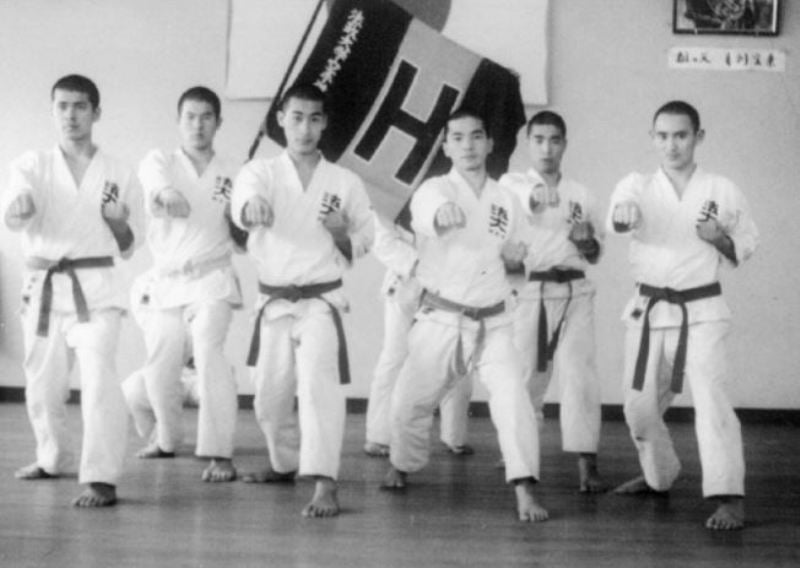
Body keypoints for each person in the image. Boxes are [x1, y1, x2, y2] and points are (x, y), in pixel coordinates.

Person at [381, 108, 549, 523]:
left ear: (490, 143)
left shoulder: (507, 200)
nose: (469, 145)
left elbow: (517, 264)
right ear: (446, 145)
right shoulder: (434, 190)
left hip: (494, 322)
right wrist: (441, 215)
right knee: (409, 401)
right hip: (442, 316)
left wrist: (514, 259)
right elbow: (427, 212)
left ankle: (525, 488)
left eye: (477, 136)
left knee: (513, 401)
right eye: (458, 138)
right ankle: (401, 464)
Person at [607, 100, 758, 530]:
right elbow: (620, 214)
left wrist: (721, 239)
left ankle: (729, 496)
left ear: (698, 137)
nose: (671, 145)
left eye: (681, 135)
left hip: (702, 310)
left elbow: (745, 244)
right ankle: (660, 475)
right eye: (663, 136)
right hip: (649, 310)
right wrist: (624, 215)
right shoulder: (635, 185)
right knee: (638, 408)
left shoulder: (722, 189)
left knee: (712, 404)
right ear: (652, 138)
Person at [230, 84, 374, 518]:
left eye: (314, 118)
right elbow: (243, 201)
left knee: (318, 389)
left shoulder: (345, 181)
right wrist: (252, 207)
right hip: (274, 302)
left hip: (319, 302)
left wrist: (342, 233)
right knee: (269, 398)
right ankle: (285, 463)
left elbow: (367, 236)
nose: (305, 128)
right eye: (296, 117)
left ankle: (324, 481)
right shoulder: (261, 172)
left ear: (325, 122)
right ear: (281, 119)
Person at [3, 74, 144, 507]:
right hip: (44, 288)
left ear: (96, 113)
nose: (70, 115)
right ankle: (52, 456)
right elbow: (15, 209)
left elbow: (132, 243)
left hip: (96, 289)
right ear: (53, 112)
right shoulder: (32, 165)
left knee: (100, 379)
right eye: (62, 106)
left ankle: (101, 477)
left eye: (80, 106)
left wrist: (118, 222)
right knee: (42, 384)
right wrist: (19, 208)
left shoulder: (119, 171)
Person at [121, 86, 244, 482]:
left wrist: (244, 222)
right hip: (168, 281)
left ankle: (219, 453)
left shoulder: (234, 170)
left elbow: (242, 239)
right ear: (179, 122)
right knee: (161, 362)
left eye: (206, 116)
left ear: (218, 123)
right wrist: (167, 193)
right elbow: (155, 183)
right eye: (190, 116)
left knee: (209, 352)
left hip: (212, 278)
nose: (197, 124)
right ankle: (167, 438)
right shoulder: (160, 162)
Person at [499, 111, 608, 493]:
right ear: (528, 143)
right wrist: (536, 195)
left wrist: (586, 243)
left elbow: (595, 254)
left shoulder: (583, 194)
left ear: (565, 144)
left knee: (581, 376)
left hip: (576, 292)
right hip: (532, 294)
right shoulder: (509, 185)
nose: (547, 148)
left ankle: (586, 463)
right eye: (539, 140)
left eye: (555, 140)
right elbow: (520, 204)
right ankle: (520, 456)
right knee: (528, 378)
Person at [364, 213, 474, 458]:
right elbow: (381, 240)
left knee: (456, 356)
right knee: (396, 356)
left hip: (452, 285)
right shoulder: (395, 193)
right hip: (406, 285)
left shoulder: (458, 191)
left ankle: (454, 435)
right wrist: (420, 264)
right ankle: (379, 435)